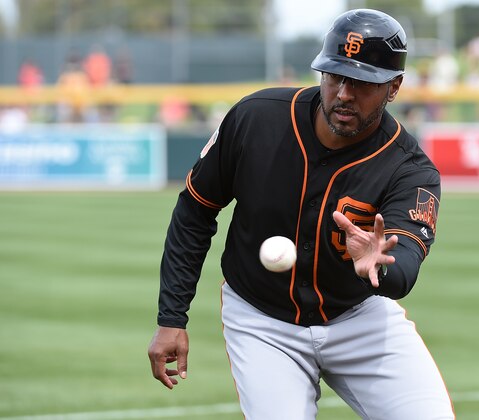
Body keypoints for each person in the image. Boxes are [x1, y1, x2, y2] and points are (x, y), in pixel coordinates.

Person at [148, 9, 455, 420]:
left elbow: (404, 268)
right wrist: (172, 317)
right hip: (261, 318)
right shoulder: (256, 119)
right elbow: (194, 211)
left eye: (363, 83)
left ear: (394, 87)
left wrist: (379, 265)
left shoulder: (409, 169)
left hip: (358, 317)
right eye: (334, 75)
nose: (344, 93)